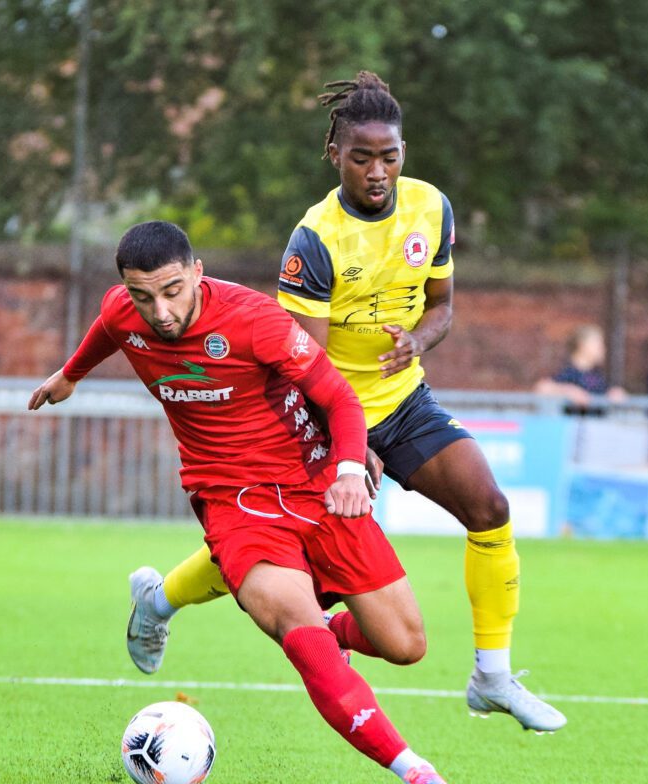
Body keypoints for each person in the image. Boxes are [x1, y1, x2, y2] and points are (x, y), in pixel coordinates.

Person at [127, 72, 565, 734]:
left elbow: (443, 307)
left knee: (489, 506)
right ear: (334, 154)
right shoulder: (315, 240)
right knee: (275, 545)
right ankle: (162, 600)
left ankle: (492, 676)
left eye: (389, 156)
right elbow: (311, 369)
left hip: (402, 401)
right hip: (321, 414)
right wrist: (349, 451)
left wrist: (418, 339)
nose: (378, 171)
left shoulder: (431, 209)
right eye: (362, 157)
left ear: (403, 151)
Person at [29, 221, 455, 784]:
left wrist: (351, 469)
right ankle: (414, 770)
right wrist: (70, 375)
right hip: (234, 504)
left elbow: (339, 398)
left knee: (405, 644)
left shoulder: (255, 321)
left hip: (315, 484)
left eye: (173, 290)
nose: (160, 310)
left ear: (198, 272)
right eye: (143, 296)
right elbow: (109, 327)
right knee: (301, 638)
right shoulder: (124, 311)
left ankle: (307, 625)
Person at [534, 324, 628, 410]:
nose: (602, 349)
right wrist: (567, 391)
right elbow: (542, 388)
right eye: (598, 344)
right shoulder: (569, 373)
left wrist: (614, 395)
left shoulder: (598, 375)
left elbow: (606, 395)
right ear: (582, 345)